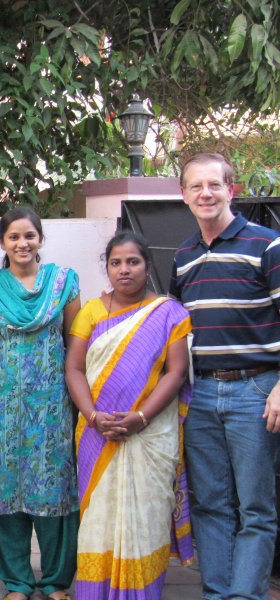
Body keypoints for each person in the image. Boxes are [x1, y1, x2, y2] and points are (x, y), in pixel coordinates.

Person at [171, 152, 280, 600]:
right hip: (201, 394)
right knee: (210, 505)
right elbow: (176, 329)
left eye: (214, 185)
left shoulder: (267, 245)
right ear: (183, 195)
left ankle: (245, 596)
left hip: (256, 390)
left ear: (231, 189)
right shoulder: (183, 258)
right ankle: (218, 594)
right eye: (196, 186)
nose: (205, 194)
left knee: (256, 508)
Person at [65, 231, 194, 599]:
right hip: (96, 433)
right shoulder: (91, 310)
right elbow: (73, 369)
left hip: (150, 435)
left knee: (146, 519)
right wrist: (92, 416)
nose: (125, 270)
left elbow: (176, 372)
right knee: (97, 521)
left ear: (148, 266)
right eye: (116, 262)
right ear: (107, 267)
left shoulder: (169, 312)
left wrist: (141, 417)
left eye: (133, 262)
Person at [0, 206, 80, 600]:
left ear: (40, 239)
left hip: (53, 407)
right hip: (1, 408)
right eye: (13, 237)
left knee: (56, 491)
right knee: (6, 493)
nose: (22, 243)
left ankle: (55, 581)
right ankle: (16, 581)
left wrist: (77, 406)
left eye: (29, 235)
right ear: (2, 242)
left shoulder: (63, 283)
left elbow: (75, 346)